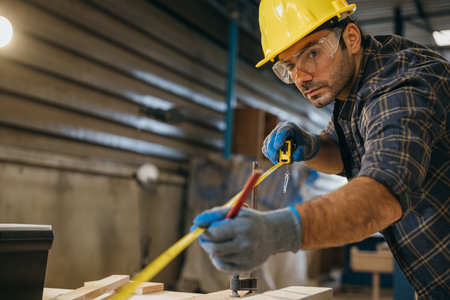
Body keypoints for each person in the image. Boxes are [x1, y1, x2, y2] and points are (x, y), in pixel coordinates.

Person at [192, 0, 449, 299]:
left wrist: (276, 232)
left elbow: (382, 195)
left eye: (312, 53)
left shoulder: (400, 88)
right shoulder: (356, 83)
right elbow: (345, 155)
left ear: (350, 38)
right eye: (289, 66)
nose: (301, 78)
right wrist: (314, 146)